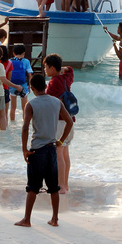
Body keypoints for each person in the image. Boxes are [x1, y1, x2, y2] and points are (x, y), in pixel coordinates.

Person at [14, 74, 73, 228]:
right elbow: (69, 121)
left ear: (32, 88)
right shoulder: (56, 102)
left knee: (33, 187)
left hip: (37, 150)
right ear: (46, 86)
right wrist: (60, 140)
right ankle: (54, 219)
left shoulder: (31, 104)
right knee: (54, 187)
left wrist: (24, 149)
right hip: (52, 149)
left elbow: (25, 127)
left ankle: (27, 219)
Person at [43, 53, 75, 194]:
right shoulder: (66, 78)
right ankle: (65, 184)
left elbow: (47, 100)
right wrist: (62, 68)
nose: (44, 70)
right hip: (70, 121)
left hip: (60, 123)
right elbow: (71, 69)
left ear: (51, 68)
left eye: (46, 67)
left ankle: (61, 186)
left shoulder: (53, 82)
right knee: (65, 153)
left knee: (59, 153)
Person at [9, 45, 33, 121]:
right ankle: (24, 124)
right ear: (24, 53)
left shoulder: (10, 61)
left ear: (13, 53)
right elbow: (29, 75)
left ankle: (12, 123)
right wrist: (29, 86)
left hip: (13, 85)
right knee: (24, 107)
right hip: (23, 86)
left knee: (13, 107)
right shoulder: (26, 61)